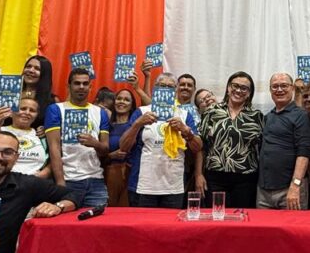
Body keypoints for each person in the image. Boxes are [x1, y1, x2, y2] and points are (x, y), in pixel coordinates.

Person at [120, 73, 202, 208]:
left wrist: (186, 131)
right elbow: (124, 147)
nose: (166, 89)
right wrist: (137, 124)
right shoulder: (141, 112)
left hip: (173, 186)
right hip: (144, 185)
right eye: (162, 86)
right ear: (155, 88)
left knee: (171, 222)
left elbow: (198, 147)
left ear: (176, 91)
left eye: (170, 87)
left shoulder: (185, 115)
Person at [43, 68, 111, 208]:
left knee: (98, 220)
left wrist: (95, 143)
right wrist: (60, 182)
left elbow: (105, 149)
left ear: (90, 87)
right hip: (69, 179)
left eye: (85, 84)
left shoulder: (100, 112)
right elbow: (54, 148)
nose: (81, 87)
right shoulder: (56, 109)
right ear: (68, 86)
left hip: (96, 179)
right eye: (77, 83)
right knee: (66, 221)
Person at [196, 72, 264, 209]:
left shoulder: (257, 116)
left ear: (249, 93)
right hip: (215, 177)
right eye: (235, 86)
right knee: (216, 217)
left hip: (246, 179)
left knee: (242, 217)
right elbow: (201, 146)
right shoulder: (211, 112)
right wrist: (198, 175)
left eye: (244, 88)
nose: (238, 90)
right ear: (228, 88)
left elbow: (262, 149)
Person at [257, 73, 310, 209]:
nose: (279, 90)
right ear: (270, 90)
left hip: (290, 190)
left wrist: (295, 185)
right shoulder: (267, 117)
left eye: (284, 86)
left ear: (292, 88)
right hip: (263, 191)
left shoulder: (301, 115)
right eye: (275, 86)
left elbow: (304, 153)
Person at [0, 97, 50, 177]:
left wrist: (44, 174)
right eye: (23, 109)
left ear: (36, 115)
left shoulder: (42, 135)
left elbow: (53, 158)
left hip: (35, 181)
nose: (27, 112)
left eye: (32, 110)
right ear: (11, 112)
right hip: (4, 179)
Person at [105, 88, 137, 206]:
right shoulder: (106, 126)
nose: (122, 102)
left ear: (132, 105)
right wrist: (110, 155)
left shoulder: (136, 126)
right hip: (110, 175)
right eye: (119, 98)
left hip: (132, 175)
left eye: (126, 100)